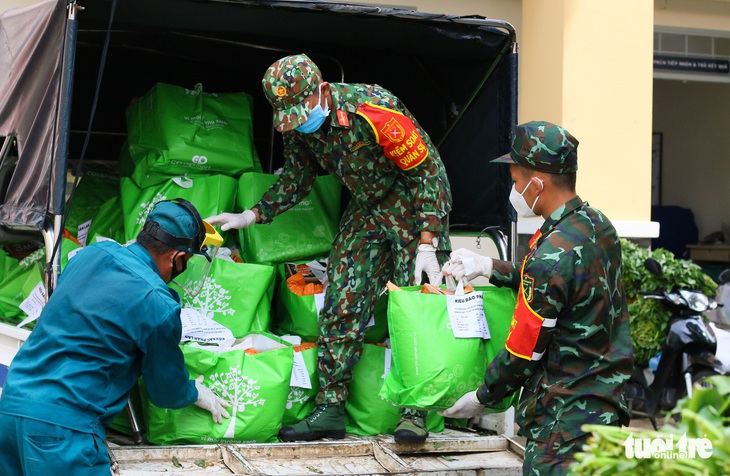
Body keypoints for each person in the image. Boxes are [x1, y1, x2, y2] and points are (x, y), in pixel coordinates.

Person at [207, 53, 452, 443]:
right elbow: (298, 176)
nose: (297, 123)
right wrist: (252, 215)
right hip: (367, 208)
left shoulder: (374, 110)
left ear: (322, 90)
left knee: (415, 306)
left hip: (411, 205)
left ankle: (415, 414)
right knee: (341, 298)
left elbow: (429, 173)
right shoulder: (296, 120)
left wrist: (428, 241)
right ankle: (330, 408)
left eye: (300, 110)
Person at [439, 121, 633, 475]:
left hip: (561, 430)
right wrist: (488, 265)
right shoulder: (597, 226)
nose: (514, 191)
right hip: (604, 410)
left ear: (537, 184)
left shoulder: (551, 256)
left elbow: (523, 351)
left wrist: (483, 397)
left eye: (515, 182)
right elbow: (562, 285)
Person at [0, 199, 231, 476]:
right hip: (62, 431)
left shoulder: (91, 255)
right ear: (177, 258)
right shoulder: (158, 302)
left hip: (11, 409)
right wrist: (195, 393)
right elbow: (165, 390)